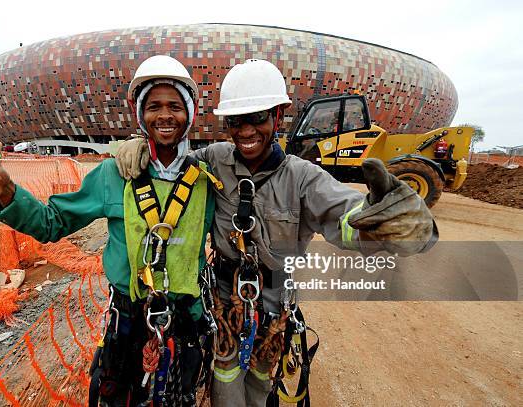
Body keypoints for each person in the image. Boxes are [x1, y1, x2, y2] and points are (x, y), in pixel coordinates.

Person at [114, 59, 437, 406]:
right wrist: (137, 146)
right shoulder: (214, 160)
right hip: (223, 302)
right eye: (236, 121)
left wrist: (387, 224)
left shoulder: (303, 178)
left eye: (258, 118)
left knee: (259, 383)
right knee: (225, 381)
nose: (247, 131)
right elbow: (171, 158)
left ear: (278, 117)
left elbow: (345, 214)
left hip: (272, 305)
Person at [0, 55, 220, 407]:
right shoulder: (113, 176)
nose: (164, 115)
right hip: (128, 324)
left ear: (189, 113)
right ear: (140, 113)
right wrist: (7, 193)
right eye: (153, 106)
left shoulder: (207, 179)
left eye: (175, 105)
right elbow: (52, 222)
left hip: (185, 322)